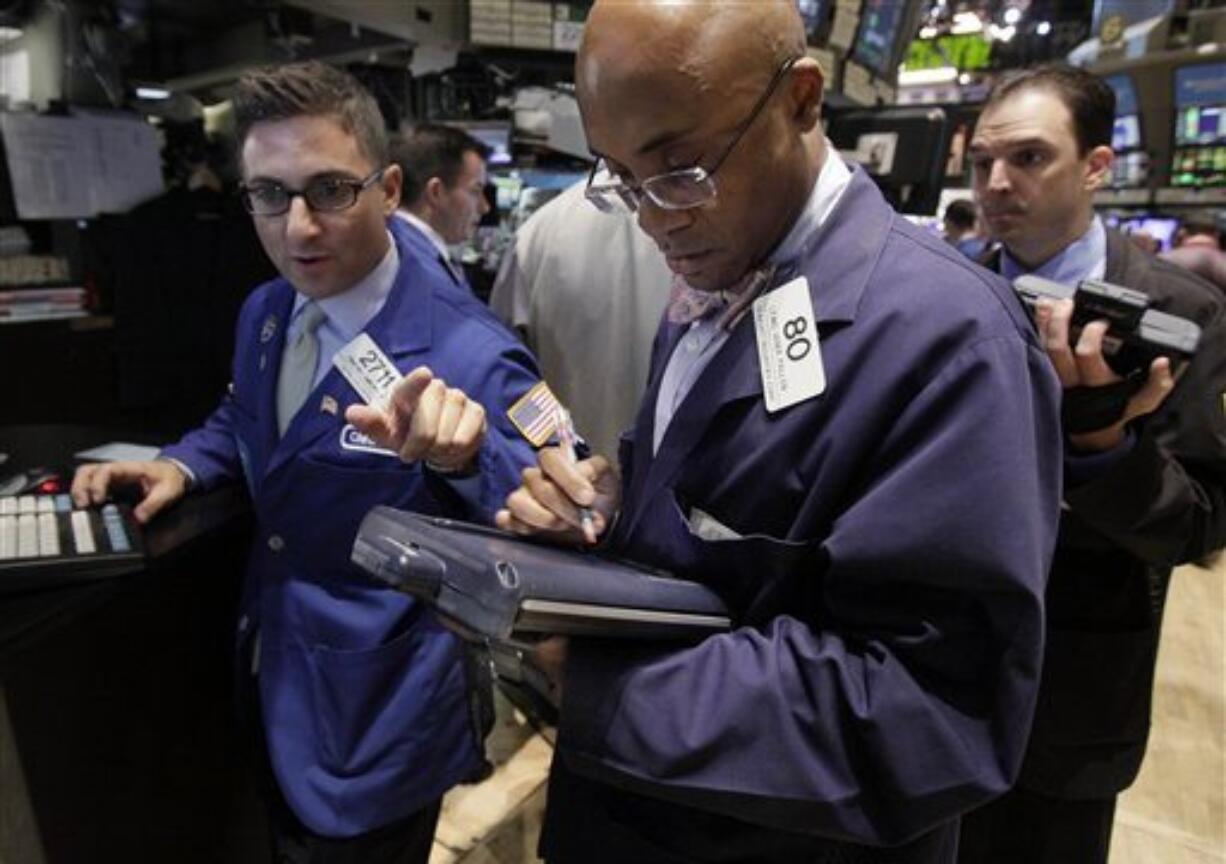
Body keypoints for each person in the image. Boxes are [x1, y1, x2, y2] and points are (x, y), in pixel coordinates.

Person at [495, 1, 1064, 861]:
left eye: (680, 171)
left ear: (800, 99)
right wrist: (615, 510)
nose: (654, 220)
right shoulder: (718, 277)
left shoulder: (952, 340)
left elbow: (930, 710)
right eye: (618, 178)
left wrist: (611, 693)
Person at [71, 61, 542, 863]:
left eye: (329, 191)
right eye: (269, 195)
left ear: (390, 189)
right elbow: (245, 415)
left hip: (379, 719)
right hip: (273, 683)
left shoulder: (468, 350)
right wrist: (182, 466)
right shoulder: (270, 307)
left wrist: (468, 465)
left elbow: (547, 523)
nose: (298, 229)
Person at [961, 63, 1226, 864]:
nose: (998, 183)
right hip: (931, 670)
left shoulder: (1183, 312)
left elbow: (1202, 524)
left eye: (1030, 158)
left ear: (1097, 166)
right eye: (982, 163)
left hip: (1074, 688)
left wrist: (1102, 448)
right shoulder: (942, 288)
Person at [489, 180, 670, 458]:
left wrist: (553, 445)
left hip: (573, 482)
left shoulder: (539, 231)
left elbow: (508, 385)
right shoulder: (702, 226)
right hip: (676, 484)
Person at [390, 123, 491, 290]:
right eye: (475, 191)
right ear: (436, 192)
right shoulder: (421, 272)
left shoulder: (393, 248)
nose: (484, 207)